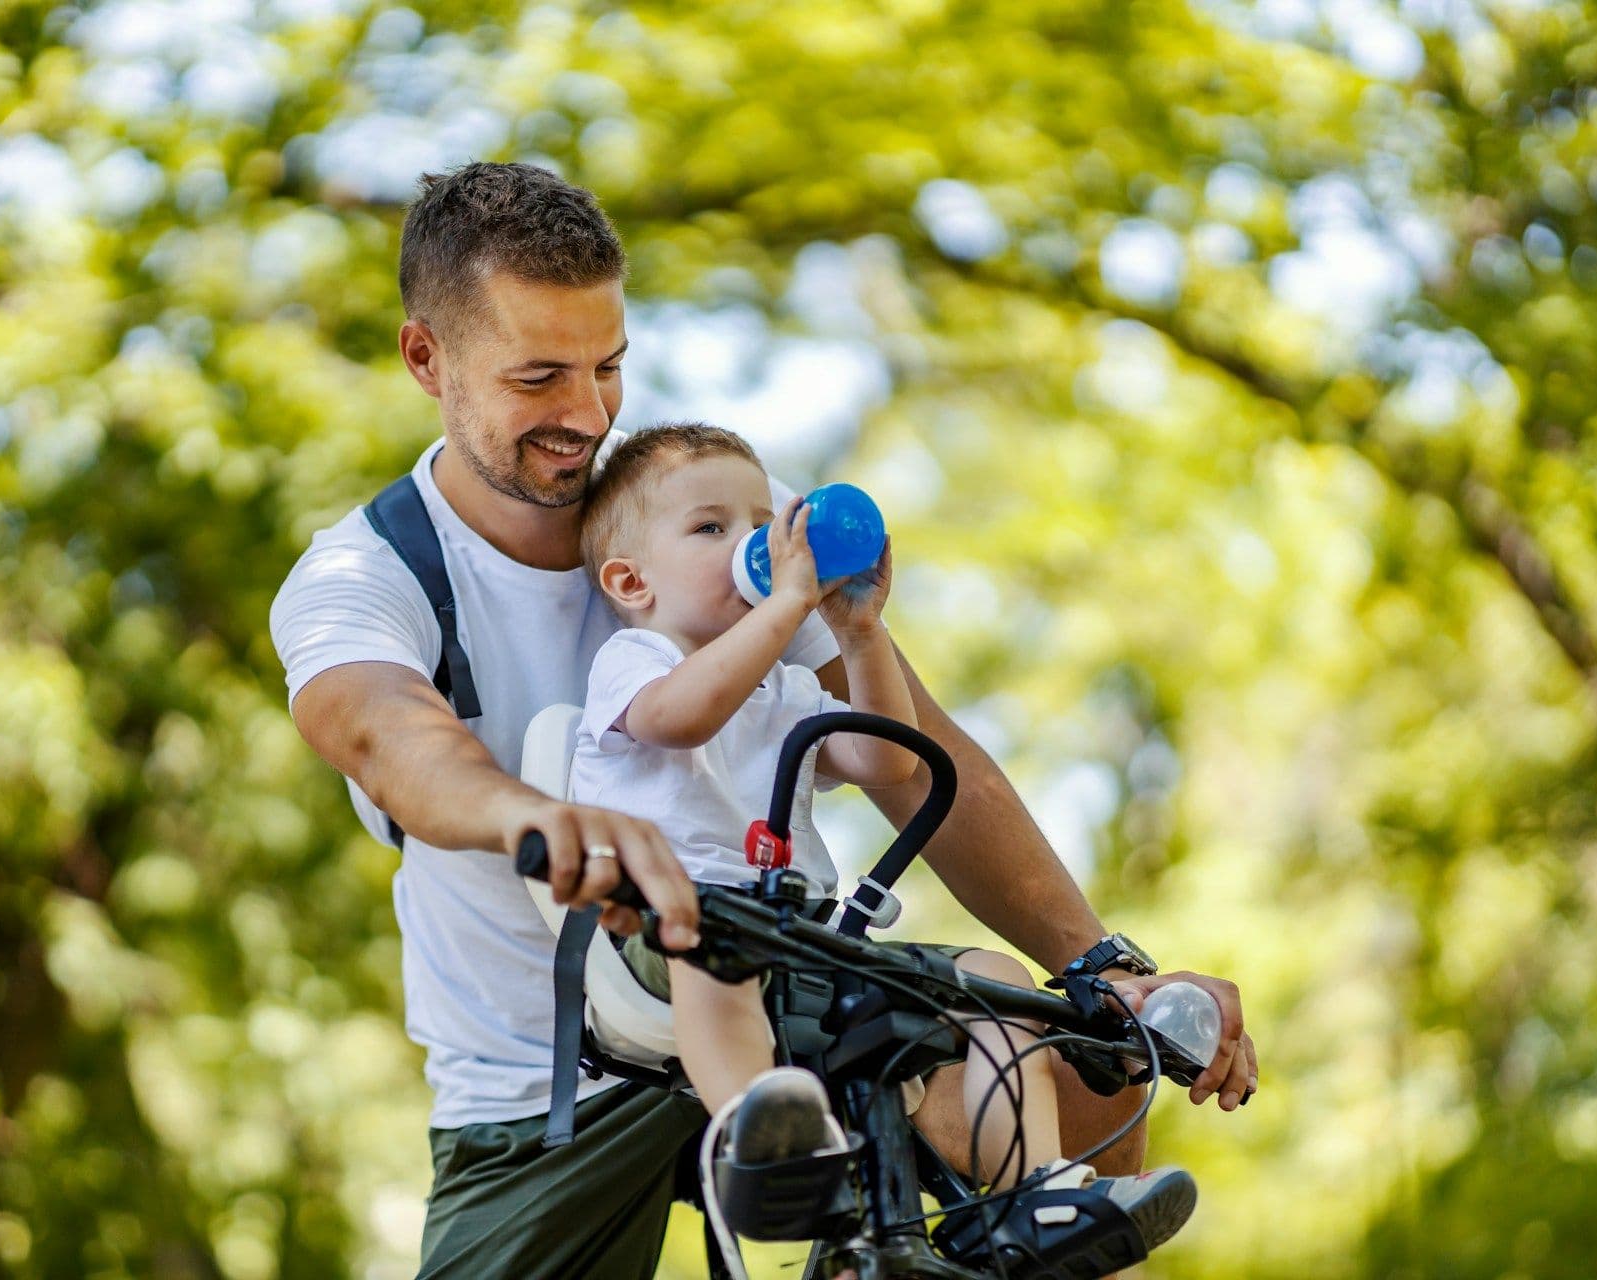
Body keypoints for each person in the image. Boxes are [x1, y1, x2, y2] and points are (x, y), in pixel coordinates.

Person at [269, 161, 1256, 1278]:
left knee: (1083, 1067)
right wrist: (535, 819)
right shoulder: (367, 571)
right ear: (426, 359)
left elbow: (908, 751)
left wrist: (1107, 965)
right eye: (539, 375)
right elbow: (385, 732)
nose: (586, 415)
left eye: (608, 367)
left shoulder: (709, 516)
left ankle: (1010, 1212)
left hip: (787, 981)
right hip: (543, 1081)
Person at [569, 423, 1198, 1265]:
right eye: (711, 528)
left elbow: (886, 760)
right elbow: (682, 716)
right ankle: (772, 1141)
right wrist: (789, 604)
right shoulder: (634, 660)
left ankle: (1035, 1195)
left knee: (996, 986)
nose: (756, 545)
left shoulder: (787, 687)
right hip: (670, 924)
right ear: (629, 580)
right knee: (713, 958)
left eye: (762, 523)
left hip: (808, 940)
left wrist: (860, 633)